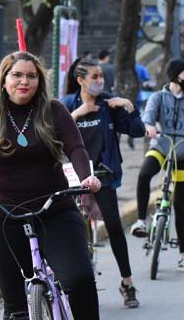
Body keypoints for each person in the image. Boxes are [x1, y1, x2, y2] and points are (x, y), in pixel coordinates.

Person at [0, 51, 102, 319]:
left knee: (78, 279)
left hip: (55, 212)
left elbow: (76, 148)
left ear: (39, 81)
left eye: (31, 76)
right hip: (2, 216)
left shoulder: (54, 110)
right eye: (17, 75)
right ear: (4, 80)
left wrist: (86, 178)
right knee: (16, 307)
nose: (24, 81)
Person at [61, 57, 145, 308]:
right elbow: (52, 134)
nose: (99, 81)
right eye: (94, 77)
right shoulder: (66, 104)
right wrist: (77, 114)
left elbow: (138, 130)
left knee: (114, 227)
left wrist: (129, 106)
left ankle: (127, 283)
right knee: (66, 229)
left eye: (101, 77)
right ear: (80, 80)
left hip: (103, 176)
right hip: (72, 176)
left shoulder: (109, 104)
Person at [130, 58, 184, 272]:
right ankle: (140, 221)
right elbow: (147, 118)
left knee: (180, 206)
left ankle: (183, 256)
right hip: (161, 147)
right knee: (145, 173)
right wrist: (149, 127)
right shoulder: (158, 97)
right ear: (175, 75)